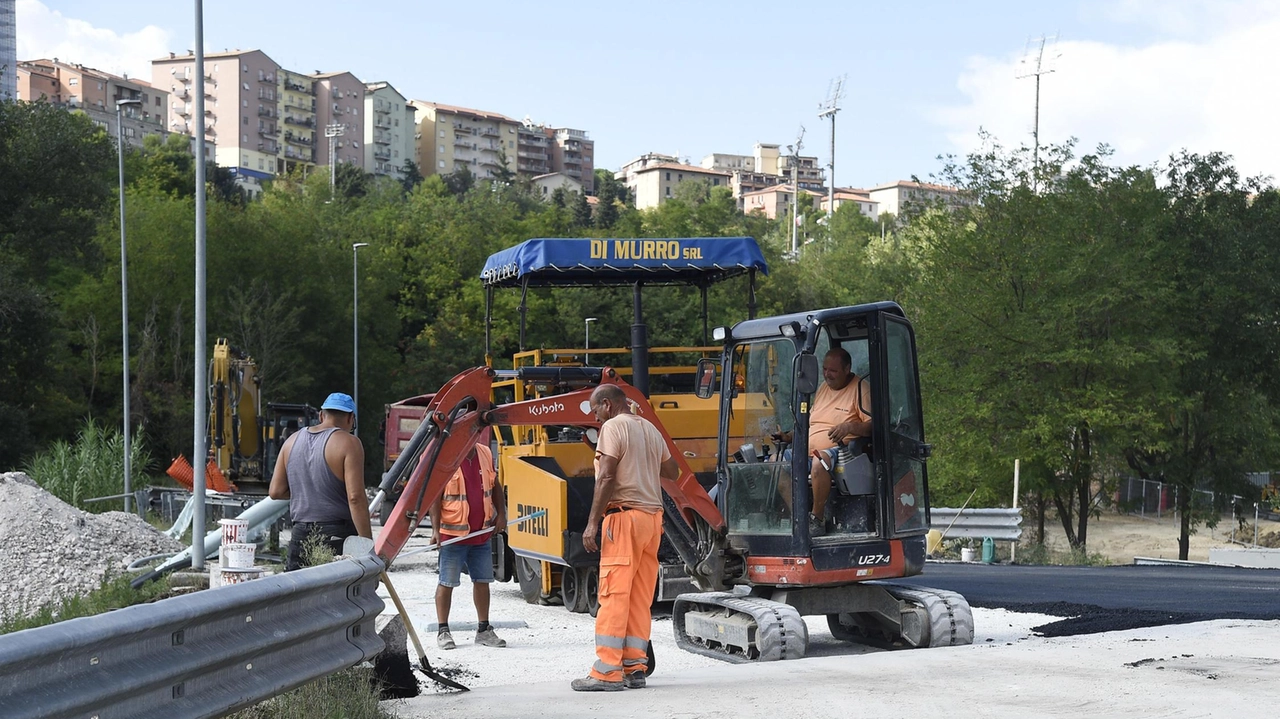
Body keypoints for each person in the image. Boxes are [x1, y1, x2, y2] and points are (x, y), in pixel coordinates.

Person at [572, 384, 680, 692]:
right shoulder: (649, 428)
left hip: (624, 518)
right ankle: (635, 668)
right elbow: (671, 471)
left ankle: (606, 671)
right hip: (651, 520)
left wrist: (592, 523)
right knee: (639, 597)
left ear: (607, 404)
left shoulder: (612, 428)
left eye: (595, 411)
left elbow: (606, 475)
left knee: (614, 593)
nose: (595, 417)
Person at [268, 392, 371, 571]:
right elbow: (355, 498)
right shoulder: (350, 443)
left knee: (298, 594)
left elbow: (275, 491)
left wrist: (309, 490)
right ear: (350, 418)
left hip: (300, 534)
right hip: (336, 534)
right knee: (338, 596)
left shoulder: (291, 441)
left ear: (321, 415)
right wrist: (367, 544)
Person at [777, 347, 872, 534]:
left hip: (842, 451)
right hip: (807, 449)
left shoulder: (861, 389)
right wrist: (788, 436)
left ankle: (817, 519)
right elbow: (809, 423)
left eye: (833, 371)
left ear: (847, 369)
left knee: (819, 463)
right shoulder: (823, 388)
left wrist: (849, 427)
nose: (827, 374)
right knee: (776, 462)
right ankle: (799, 517)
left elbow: (872, 426)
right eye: (825, 369)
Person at [429, 441, 508, 650]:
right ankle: (443, 631)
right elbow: (435, 496)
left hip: (480, 533)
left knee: (483, 581)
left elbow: (495, 485)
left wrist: (502, 514)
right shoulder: (446, 456)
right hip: (453, 535)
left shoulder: (484, 452)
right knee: (447, 582)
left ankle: (484, 630)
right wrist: (435, 530)